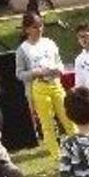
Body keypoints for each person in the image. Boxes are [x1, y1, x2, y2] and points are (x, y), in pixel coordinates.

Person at [15, 12, 75, 158]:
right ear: (27, 29)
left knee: (67, 116)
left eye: (41, 25)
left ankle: (78, 147)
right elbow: (19, 74)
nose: (39, 29)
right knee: (47, 122)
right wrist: (36, 72)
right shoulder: (23, 49)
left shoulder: (50, 43)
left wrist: (59, 70)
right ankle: (57, 155)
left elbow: (59, 63)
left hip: (55, 82)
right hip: (39, 86)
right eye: (35, 27)